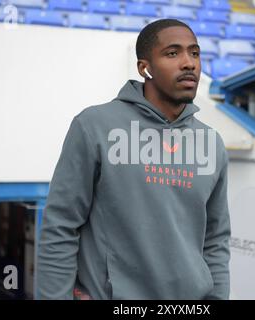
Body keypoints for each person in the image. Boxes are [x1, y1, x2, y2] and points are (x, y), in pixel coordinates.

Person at [37, 19, 230, 300]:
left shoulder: (212, 143)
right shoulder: (95, 126)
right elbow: (61, 226)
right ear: (144, 67)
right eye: (173, 53)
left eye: (195, 53)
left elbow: (216, 240)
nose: (189, 63)